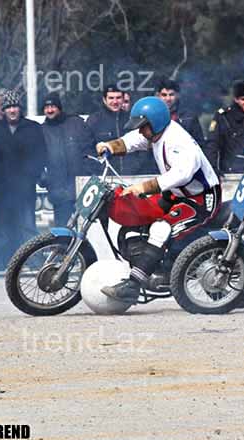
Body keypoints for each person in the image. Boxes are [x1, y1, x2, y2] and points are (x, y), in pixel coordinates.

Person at [96, 97, 221, 303]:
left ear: (155, 123)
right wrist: (110, 146)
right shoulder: (156, 134)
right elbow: (132, 140)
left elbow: (182, 173)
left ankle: (133, 285)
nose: (141, 131)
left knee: (161, 229)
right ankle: (149, 266)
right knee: (140, 218)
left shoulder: (177, 141)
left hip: (200, 199)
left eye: (143, 127)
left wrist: (145, 186)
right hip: (177, 194)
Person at [0, 90, 47, 270]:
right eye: (8, 107)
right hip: (2, 189)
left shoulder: (32, 128)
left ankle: (34, 261)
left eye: (15, 106)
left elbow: (41, 154)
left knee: (27, 225)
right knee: (2, 227)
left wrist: (32, 175)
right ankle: (1, 263)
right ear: (3, 110)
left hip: (25, 187)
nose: (12, 110)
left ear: (20, 108)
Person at [41, 92, 96, 226]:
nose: (50, 110)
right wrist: (45, 180)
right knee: (63, 232)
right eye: (46, 107)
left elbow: (90, 151)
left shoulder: (76, 124)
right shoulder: (41, 130)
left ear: (59, 107)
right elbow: (36, 159)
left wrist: (88, 175)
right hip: (59, 192)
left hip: (82, 190)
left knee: (86, 229)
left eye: (53, 106)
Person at [86, 84, 157, 175]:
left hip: (134, 176)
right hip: (106, 176)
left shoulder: (133, 119)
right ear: (104, 100)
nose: (115, 101)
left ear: (123, 99)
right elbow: (89, 151)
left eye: (118, 98)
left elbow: (144, 147)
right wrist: (100, 170)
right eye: (111, 98)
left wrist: (135, 168)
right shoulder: (94, 121)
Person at [155, 78, 205, 147]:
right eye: (164, 95)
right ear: (158, 96)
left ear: (178, 95)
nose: (168, 98)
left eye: (171, 95)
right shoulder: (153, 116)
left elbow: (200, 145)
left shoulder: (189, 117)